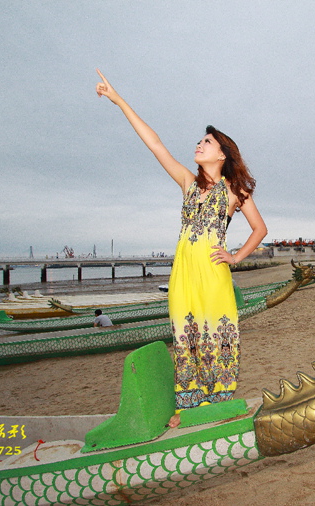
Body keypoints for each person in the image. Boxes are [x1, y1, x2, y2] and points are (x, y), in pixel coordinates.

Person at [95, 70, 268, 428]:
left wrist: (236, 256)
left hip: (213, 275)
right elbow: (156, 144)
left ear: (222, 154)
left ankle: (216, 403)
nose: (199, 145)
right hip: (183, 276)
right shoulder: (188, 182)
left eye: (207, 141)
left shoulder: (234, 191)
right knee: (185, 338)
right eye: (200, 140)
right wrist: (118, 100)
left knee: (216, 336)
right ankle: (188, 407)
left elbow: (260, 229)